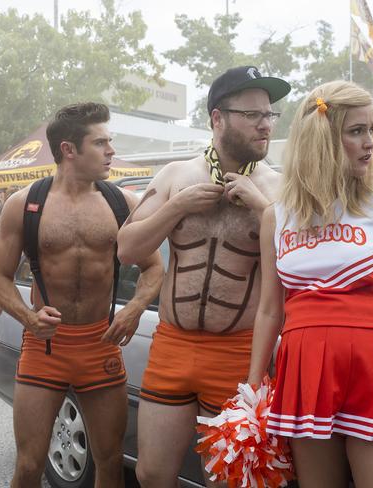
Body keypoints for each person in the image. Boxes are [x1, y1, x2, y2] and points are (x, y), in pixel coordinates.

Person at [246, 80, 373, 487]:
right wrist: (252, 382)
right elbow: (269, 309)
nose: (369, 143)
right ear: (323, 139)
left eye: (372, 130)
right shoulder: (277, 216)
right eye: (356, 131)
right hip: (305, 367)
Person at [116, 65, 291, 487]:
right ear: (218, 119)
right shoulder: (176, 176)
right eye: (253, 115)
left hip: (240, 350)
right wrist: (178, 207)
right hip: (173, 344)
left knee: (231, 478)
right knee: (152, 472)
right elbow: (127, 249)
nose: (265, 124)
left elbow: (297, 271)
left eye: (270, 115)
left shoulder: (279, 188)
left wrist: (263, 210)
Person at [0, 102, 164, 488]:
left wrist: (134, 308)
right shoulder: (25, 204)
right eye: (100, 143)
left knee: (110, 461)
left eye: (109, 142)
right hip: (45, 348)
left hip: (100, 344)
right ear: (69, 150)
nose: (111, 151)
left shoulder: (122, 204)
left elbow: (155, 266)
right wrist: (28, 317)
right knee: (30, 465)